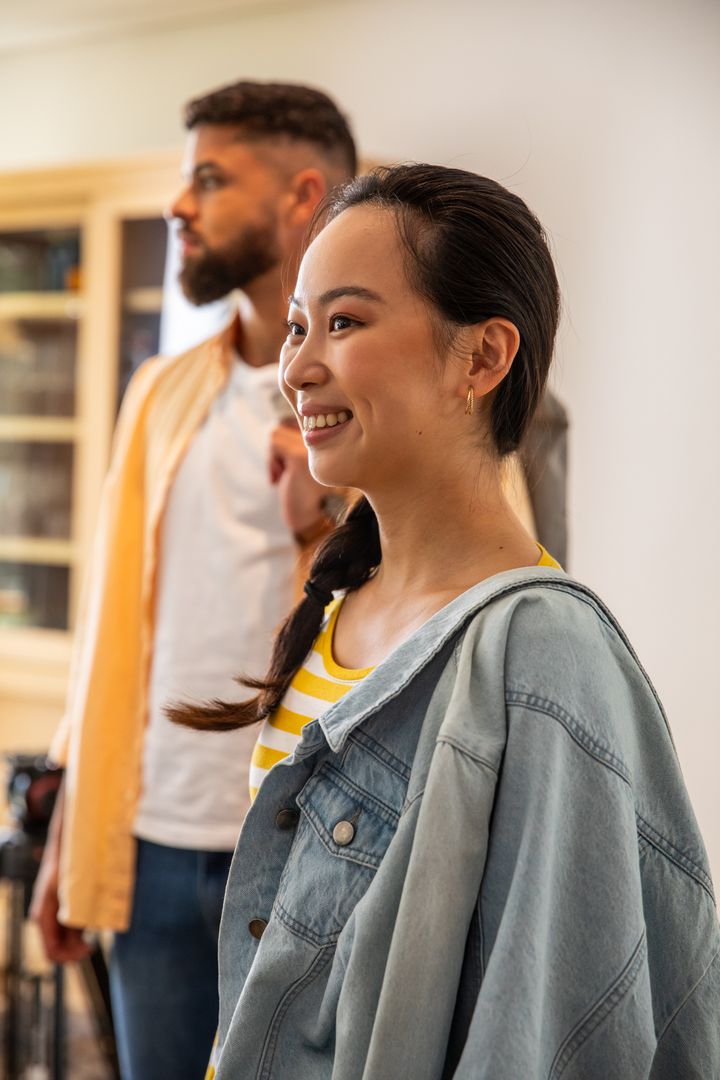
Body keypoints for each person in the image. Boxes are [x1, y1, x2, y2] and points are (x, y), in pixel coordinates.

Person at [171, 164, 720, 1078]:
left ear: (482, 358)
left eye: (343, 322)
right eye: (298, 325)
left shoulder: (545, 655)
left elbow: (548, 1032)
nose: (297, 366)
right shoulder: (345, 600)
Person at [29, 80, 357, 1079]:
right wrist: (68, 836)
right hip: (152, 841)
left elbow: (434, 607)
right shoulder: (160, 393)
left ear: (303, 196)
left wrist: (329, 514)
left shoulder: (377, 400)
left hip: (316, 852)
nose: (180, 204)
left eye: (210, 179)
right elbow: (111, 633)